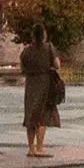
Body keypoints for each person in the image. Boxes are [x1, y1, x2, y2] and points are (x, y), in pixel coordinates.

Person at [19, 26, 63, 157]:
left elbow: (22, 67)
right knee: (43, 117)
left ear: (32, 36)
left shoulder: (26, 51)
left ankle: (31, 148)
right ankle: (40, 147)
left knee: (31, 116)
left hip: (31, 85)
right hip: (46, 84)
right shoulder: (49, 48)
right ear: (44, 35)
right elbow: (57, 65)